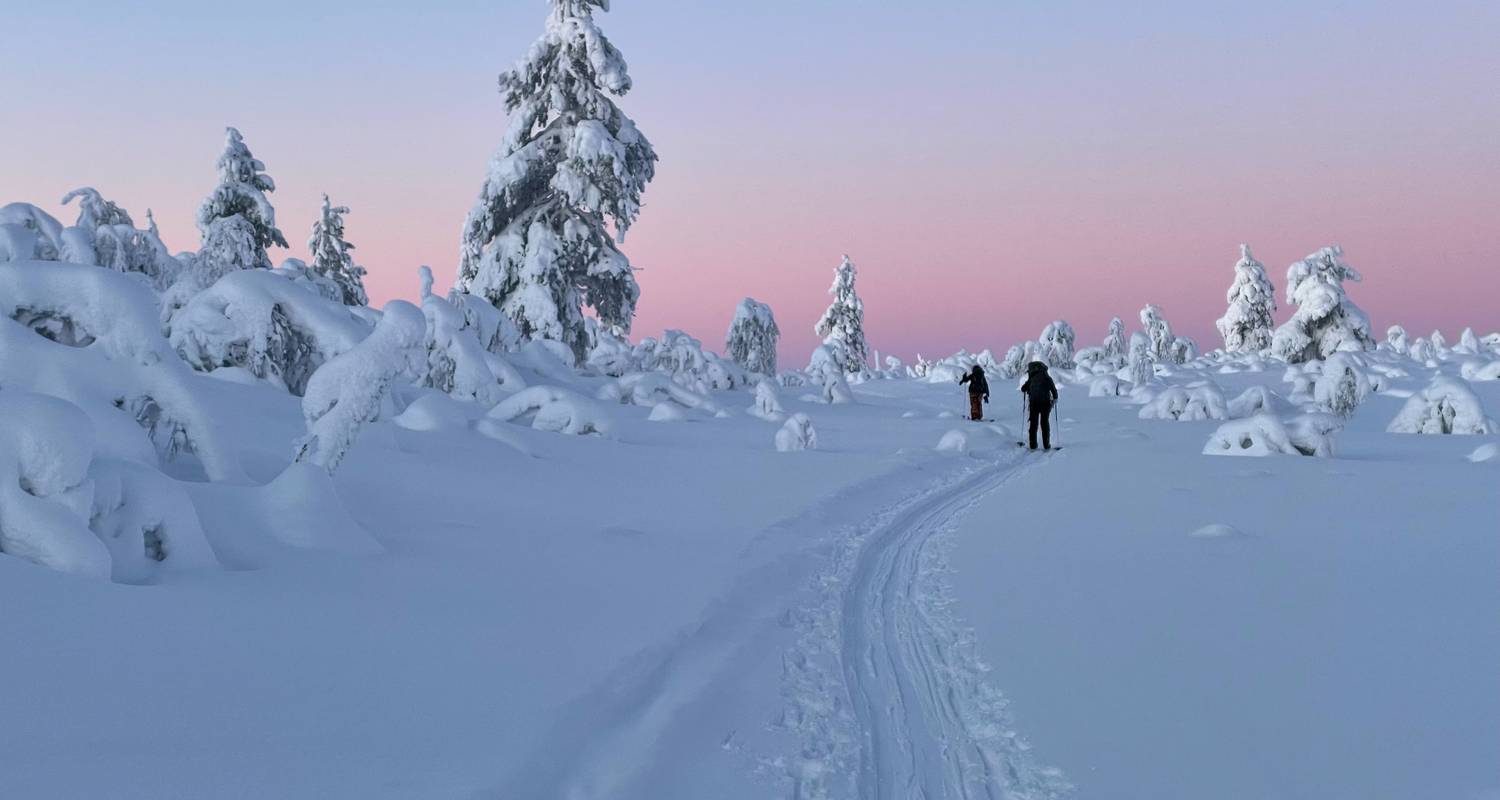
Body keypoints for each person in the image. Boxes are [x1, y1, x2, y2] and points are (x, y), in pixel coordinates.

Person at [1020, 361, 1058, 450]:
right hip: (1045, 403)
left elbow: (1023, 389)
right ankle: (1046, 445)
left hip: (1034, 403)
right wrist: (1055, 398)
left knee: (1033, 424)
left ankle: (1033, 445)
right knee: (1044, 424)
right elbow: (1054, 390)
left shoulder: (1032, 378)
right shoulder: (1047, 377)